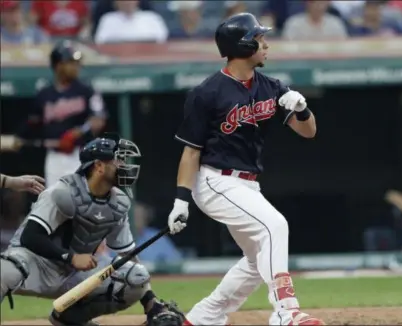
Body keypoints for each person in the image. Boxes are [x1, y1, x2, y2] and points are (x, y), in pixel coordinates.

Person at [167, 12, 323, 326]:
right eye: (259, 38)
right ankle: (286, 312)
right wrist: (181, 200)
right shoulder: (207, 93)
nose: (265, 44)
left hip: (248, 184)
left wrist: (302, 109)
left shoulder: (271, 86)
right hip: (214, 180)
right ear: (242, 45)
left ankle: (203, 317)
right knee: (275, 226)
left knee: (256, 261)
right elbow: (190, 152)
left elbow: (309, 132)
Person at [0, 134, 185, 326]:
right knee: (4, 269)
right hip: (36, 266)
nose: (123, 165)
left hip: (75, 274)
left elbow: (128, 254)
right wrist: (70, 257)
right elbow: (29, 237)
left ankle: (70, 319)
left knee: (136, 276)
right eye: (118, 160)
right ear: (99, 166)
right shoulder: (62, 192)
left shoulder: (119, 202)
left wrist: (151, 303)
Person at [16, 40, 107, 188]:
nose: (76, 66)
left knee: (82, 203)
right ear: (58, 65)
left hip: (81, 154)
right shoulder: (45, 94)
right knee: (56, 201)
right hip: (54, 155)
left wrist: (76, 133)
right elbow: (34, 122)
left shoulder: (86, 90)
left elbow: (98, 119)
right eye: (71, 62)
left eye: (77, 62)